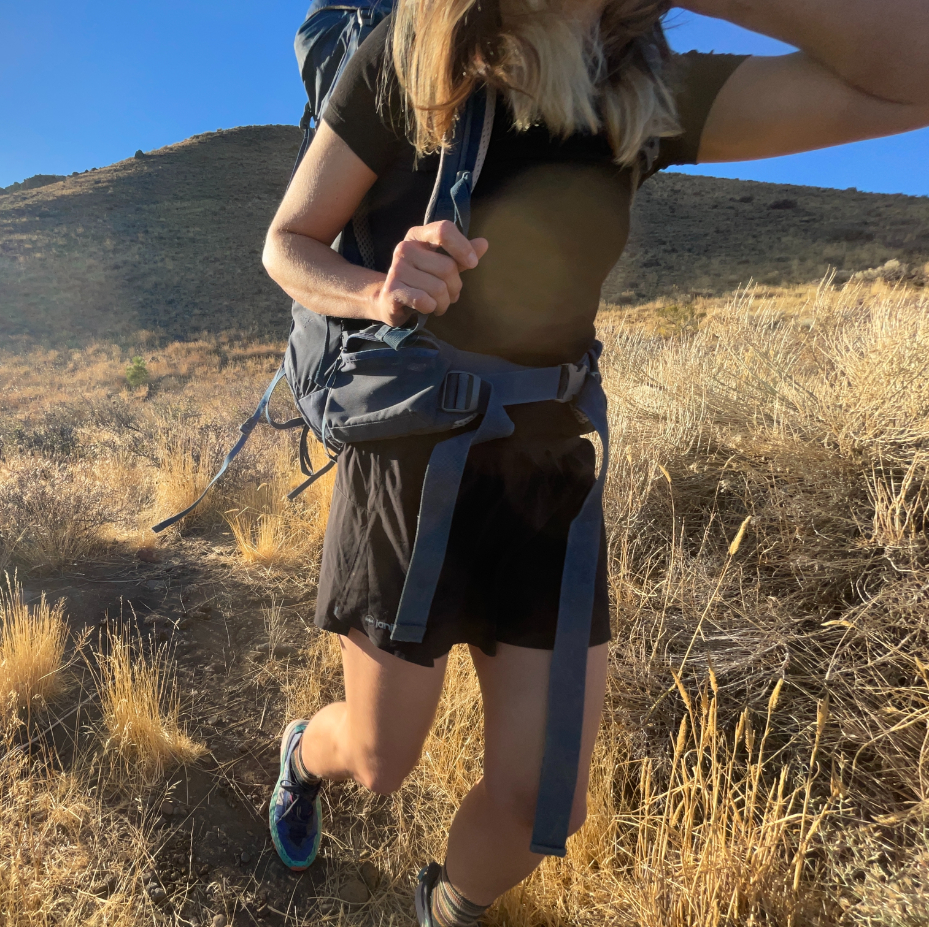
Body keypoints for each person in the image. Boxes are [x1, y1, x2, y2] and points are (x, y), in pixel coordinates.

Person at [261, 1, 929, 924]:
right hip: (415, 457)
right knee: (380, 759)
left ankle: (444, 909)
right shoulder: (411, 55)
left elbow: (913, 72)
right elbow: (287, 242)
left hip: (549, 471)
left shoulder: (645, 95)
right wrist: (377, 291)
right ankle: (304, 756)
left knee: (544, 804)